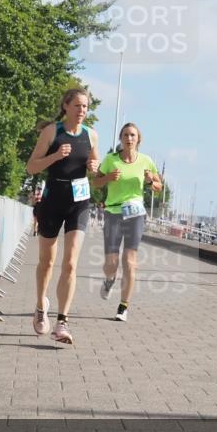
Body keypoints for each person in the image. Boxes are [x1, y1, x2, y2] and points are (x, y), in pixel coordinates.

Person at [25, 88, 99, 344]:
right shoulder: (52, 132)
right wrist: (55, 156)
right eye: (78, 106)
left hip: (79, 202)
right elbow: (31, 165)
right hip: (53, 199)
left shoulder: (91, 135)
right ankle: (39, 305)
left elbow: (94, 163)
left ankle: (62, 323)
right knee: (47, 261)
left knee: (70, 263)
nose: (82, 111)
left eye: (86, 107)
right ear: (66, 106)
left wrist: (94, 166)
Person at [92, 123, 162, 322]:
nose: (129, 138)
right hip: (113, 211)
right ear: (121, 138)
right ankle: (109, 279)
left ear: (138, 139)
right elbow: (96, 182)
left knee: (130, 261)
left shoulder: (146, 161)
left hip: (135, 212)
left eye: (132, 135)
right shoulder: (110, 160)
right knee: (110, 263)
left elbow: (158, 186)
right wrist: (107, 178)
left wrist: (150, 181)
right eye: (125, 135)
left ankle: (123, 306)